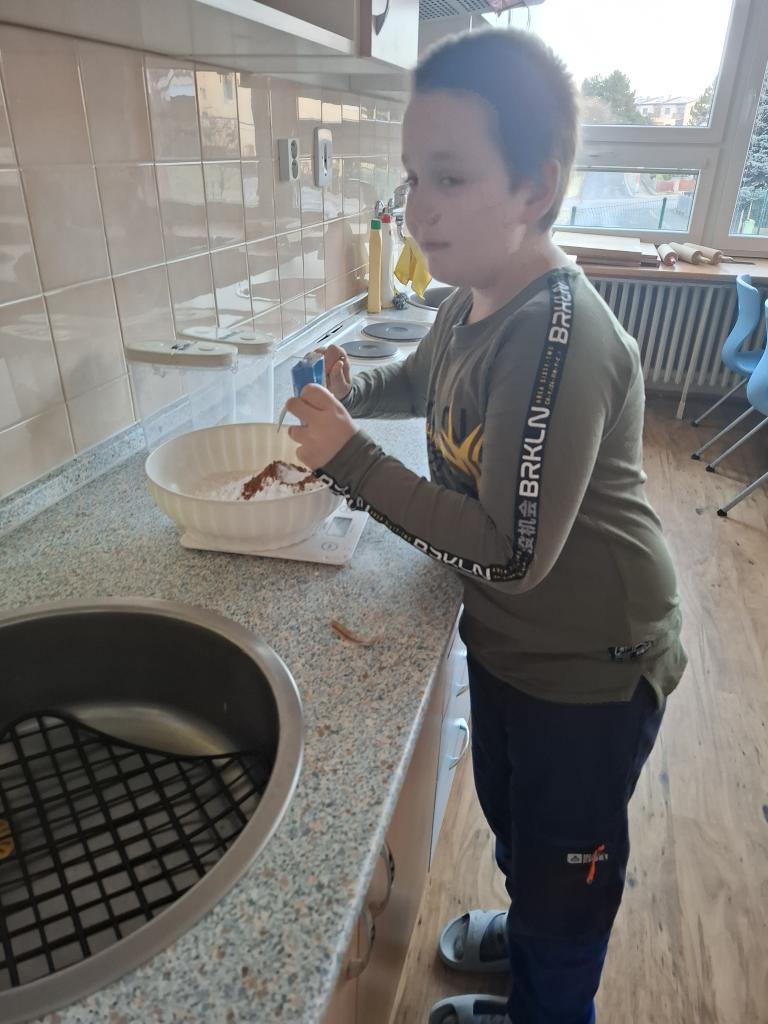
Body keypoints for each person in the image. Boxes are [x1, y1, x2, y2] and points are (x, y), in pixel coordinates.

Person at [286, 27, 687, 1024]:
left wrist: (351, 461)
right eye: (414, 176)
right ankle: (529, 929)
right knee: (518, 818)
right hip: (514, 642)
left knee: (570, 868)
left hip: (591, 663)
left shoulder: (558, 339)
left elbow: (509, 549)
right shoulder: (471, 297)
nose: (418, 206)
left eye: (451, 177)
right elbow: (425, 379)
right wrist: (355, 391)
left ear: (535, 189)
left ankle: (549, 998)